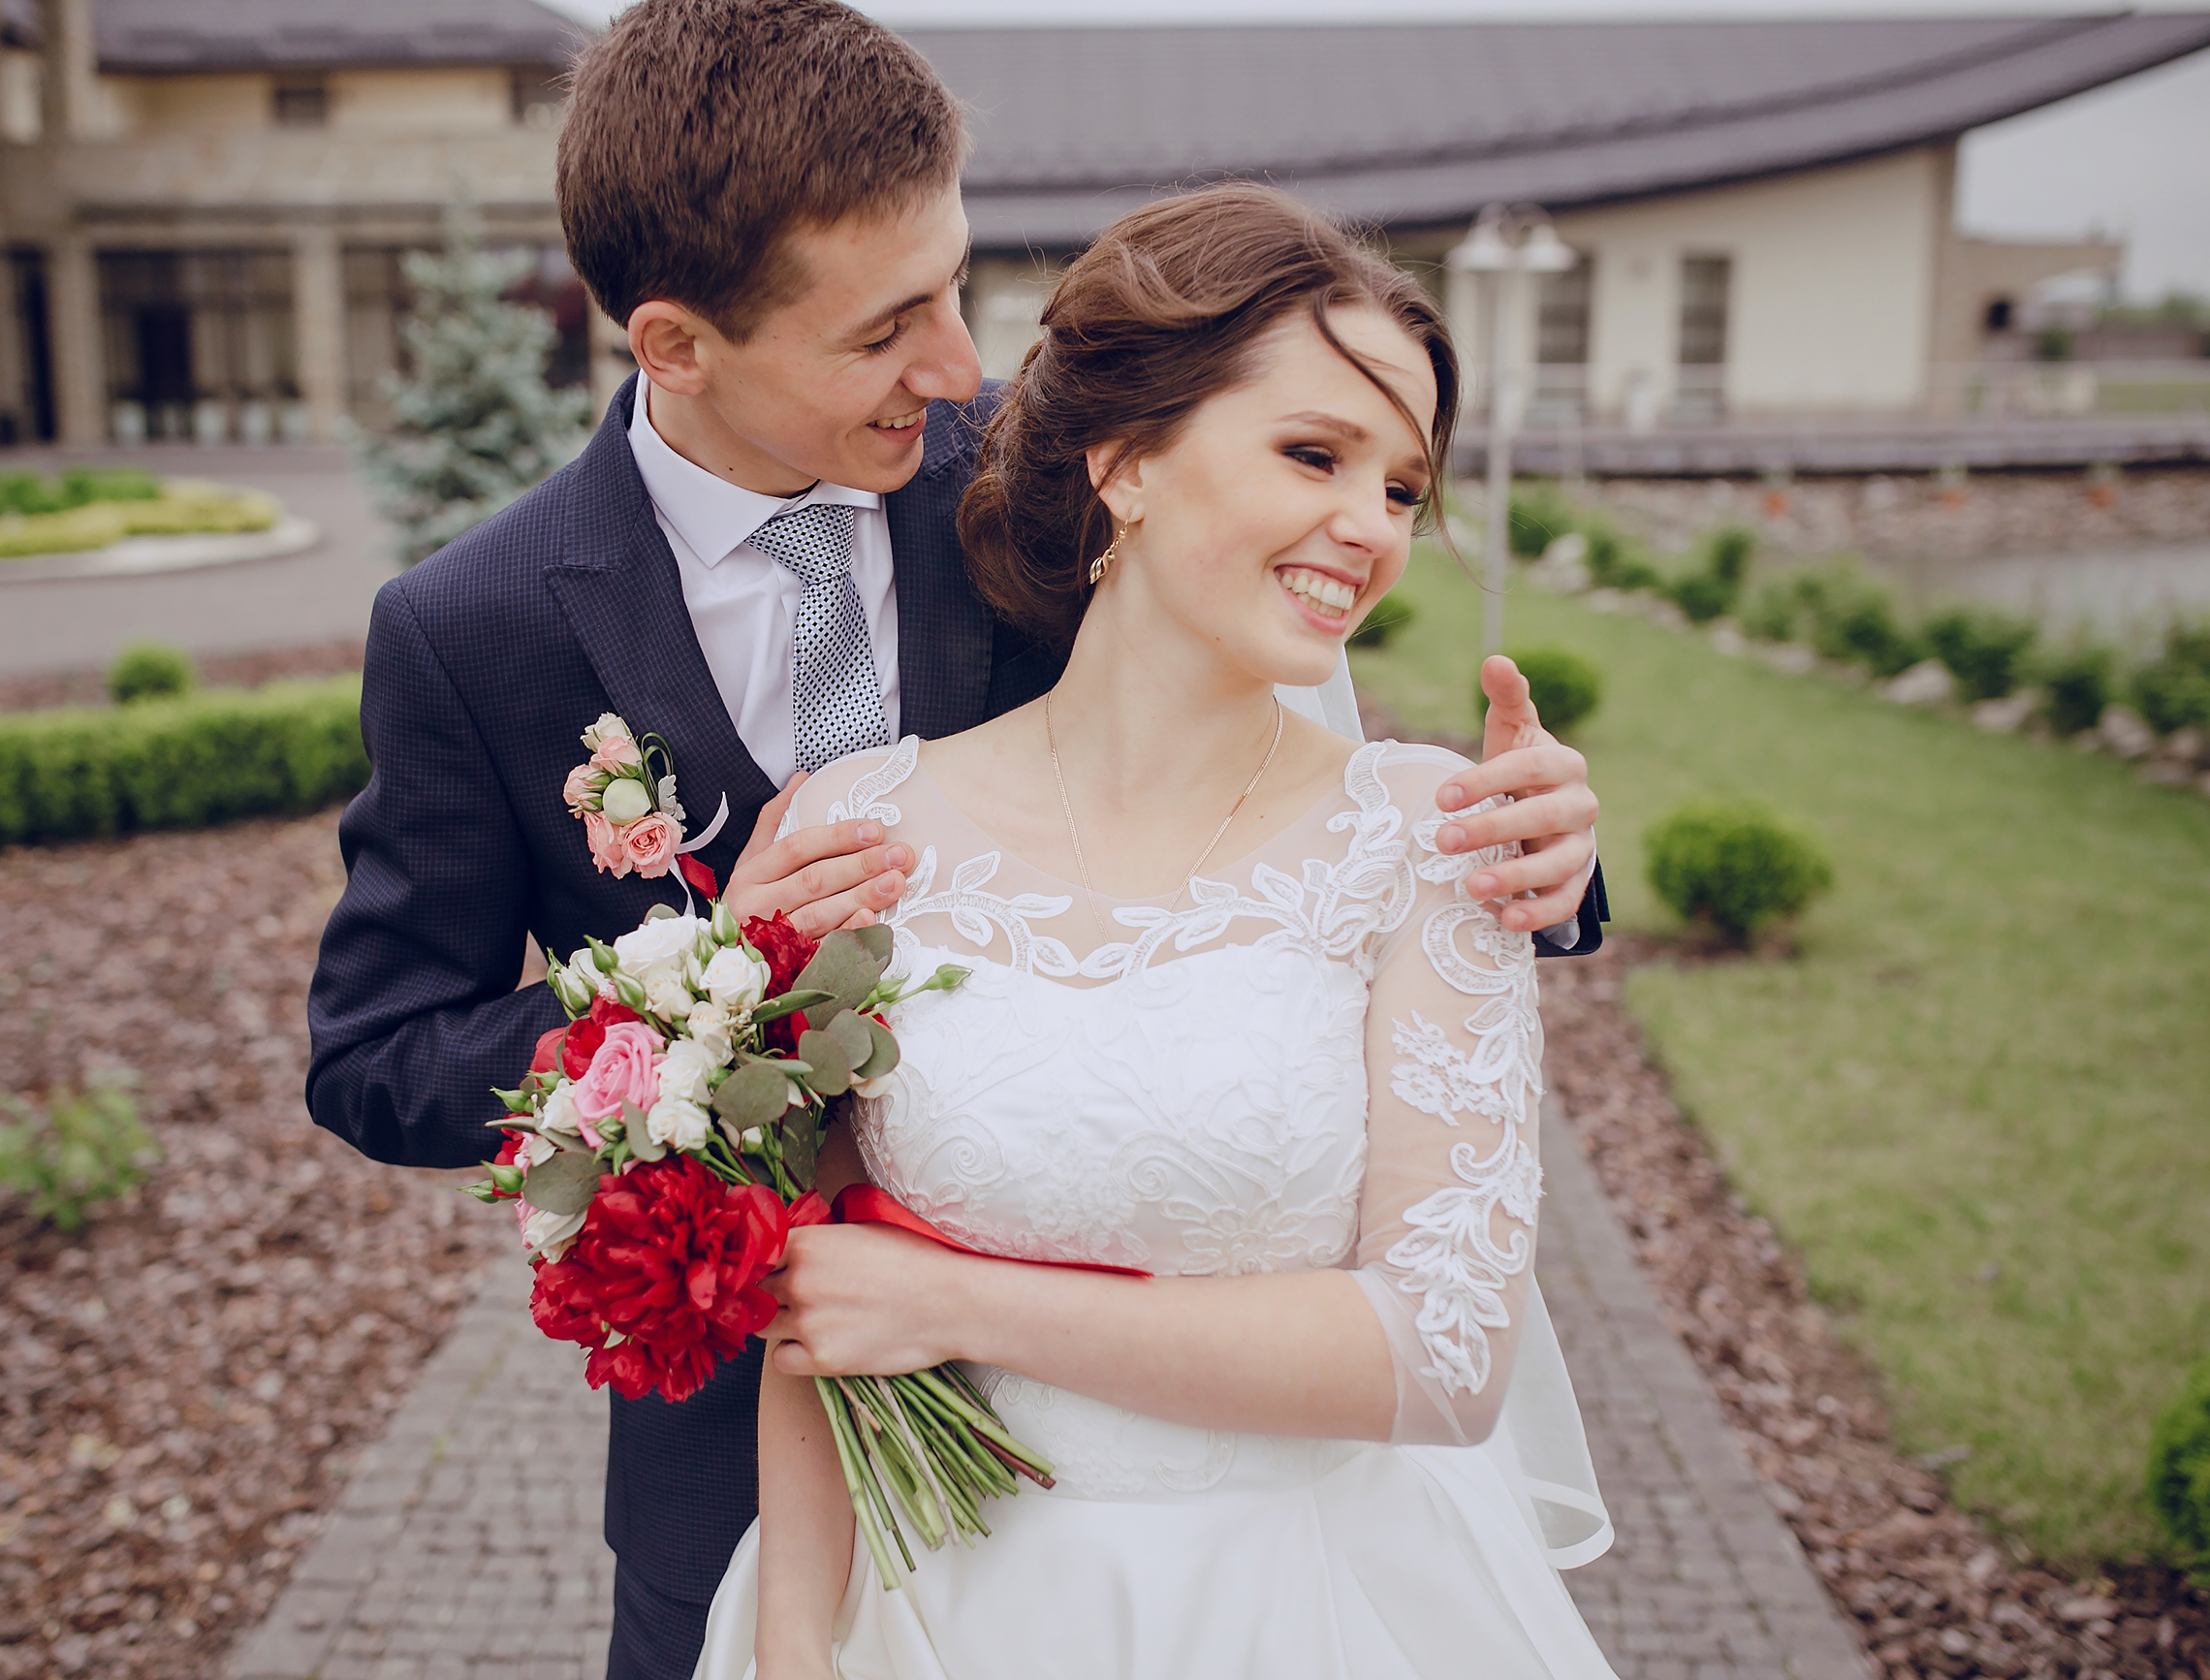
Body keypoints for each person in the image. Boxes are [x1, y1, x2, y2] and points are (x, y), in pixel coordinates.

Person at [303, 5, 1607, 1676]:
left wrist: (1537, 859)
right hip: (752, 1473)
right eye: (884, 329)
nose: (953, 365)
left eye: (956, 286)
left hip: (1199, 1465)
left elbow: (1296, 763)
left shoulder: (1059, 473)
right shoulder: (473, 625)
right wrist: (693, 988)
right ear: (677, 344)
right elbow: (377, 1052)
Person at [694, 181, 1619, 1680]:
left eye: (1401, 486)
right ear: (1124, 462)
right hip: (930, 1607)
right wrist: (798, 1641)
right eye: (1315, 453)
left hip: (1303, 1607)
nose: (1368, 528)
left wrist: (969, 1301)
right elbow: (821, 1306)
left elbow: (1446, 1358)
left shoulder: (1426, 837)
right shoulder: (863, 825)